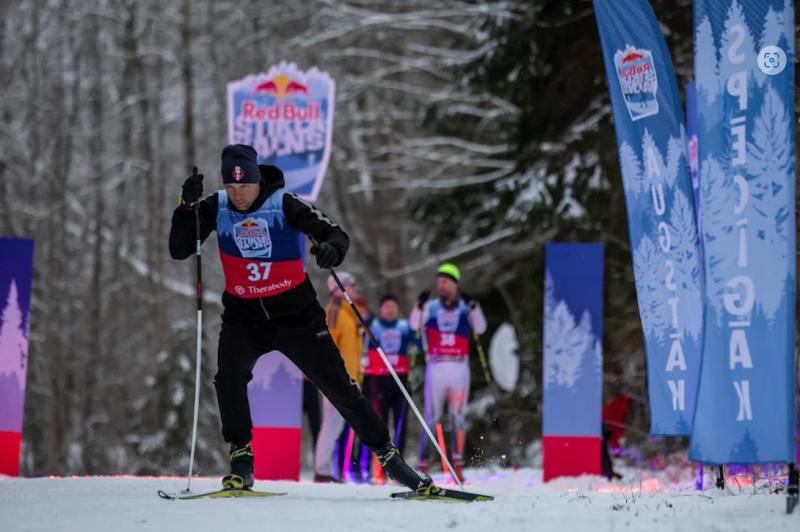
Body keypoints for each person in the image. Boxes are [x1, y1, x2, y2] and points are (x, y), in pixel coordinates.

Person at [168, 144, 432, 493]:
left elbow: (335, 233)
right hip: (244, 317)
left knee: (340, 387)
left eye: (244, 186)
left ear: (257, 179)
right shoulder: (216, 206)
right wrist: (186, 208)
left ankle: (389, 458)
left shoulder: (284, 203)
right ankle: (241, 460)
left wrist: (331, 249)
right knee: (228, 376)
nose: (238, 195)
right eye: (231, 188)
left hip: (297, 317)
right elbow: (179, 248)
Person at [409, 263, 486, 481]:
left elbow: (480, 328)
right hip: (437, 367)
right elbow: (415, 324)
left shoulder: (464, 307)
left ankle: (458, 468)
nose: (441, 286)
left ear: (455, 283)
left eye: (445, 281)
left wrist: (475, 307)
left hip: (459, 368)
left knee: (457, 416)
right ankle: (423, 467)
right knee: (431, 417)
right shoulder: (431, 307)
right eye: (439, 282)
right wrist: (418, 305)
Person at [358, 294, 416, 483]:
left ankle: (400, 469)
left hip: (401, 378)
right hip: (379, 379)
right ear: (381, 309)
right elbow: (362, 344)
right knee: (379, 424)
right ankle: (378, 470)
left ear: (397, 309)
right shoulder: (373, 326)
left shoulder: (404, 326)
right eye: (386, 306)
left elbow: (418, 343)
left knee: (400, 424)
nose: (389, 310)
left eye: (393, 306)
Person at [314, 273, 362, 483]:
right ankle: (322, 471)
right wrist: (333, 375)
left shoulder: (348, 312)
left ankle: (325, 470)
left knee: (337, 426)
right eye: (351, 286)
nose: (355, 290)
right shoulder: (334, 311)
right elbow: (327, 344)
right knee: (331, 424)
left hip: (348, 377)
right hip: (336, 378)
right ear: (340, 289)